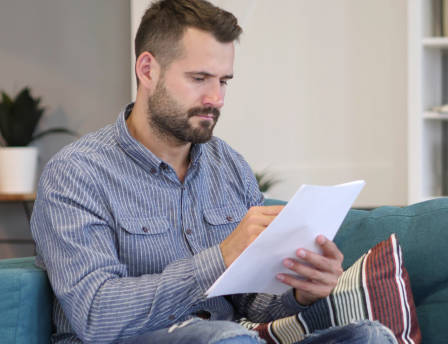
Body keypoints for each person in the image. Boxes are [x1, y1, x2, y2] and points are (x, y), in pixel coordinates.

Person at [30, 1, 397, 343]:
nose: (216, 99)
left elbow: (251, 304)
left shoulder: (230, 167)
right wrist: (220, 258)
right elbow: (95, 314)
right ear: (147, 70)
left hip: (234, 337)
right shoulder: (76, 173)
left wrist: (302, 290)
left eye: (223, 81)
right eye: (200, 78)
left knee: (369, 337)